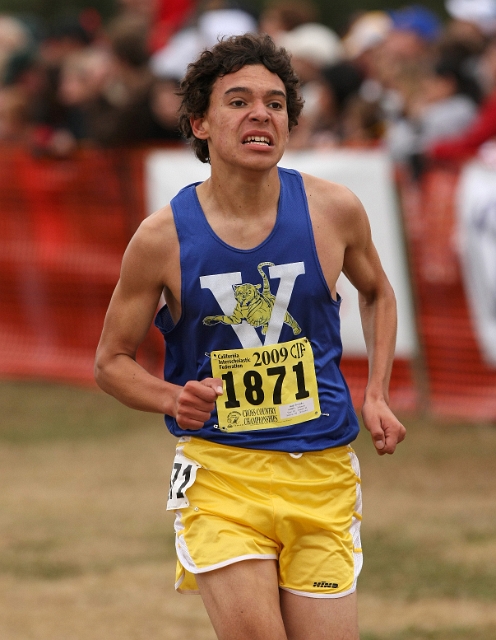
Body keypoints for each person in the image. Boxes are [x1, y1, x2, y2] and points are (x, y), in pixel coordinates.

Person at [95, 33, 406, 640]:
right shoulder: (162, 238)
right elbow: (111, 362)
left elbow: (378, 292)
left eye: (275, 103)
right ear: (200, 123)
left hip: (323, 471)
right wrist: (170, 397)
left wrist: (378, 394)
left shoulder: (333, 209)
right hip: (222, 472)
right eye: (237, 101)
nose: (261, 113)